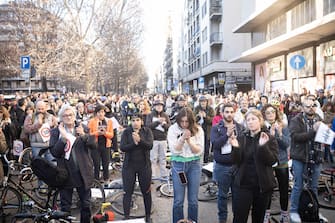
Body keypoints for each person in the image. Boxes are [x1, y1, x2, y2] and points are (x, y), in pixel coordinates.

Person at [229, 109, 279, 223]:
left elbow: (272, 161)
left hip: (262, 186)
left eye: (253, 119)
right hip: (243, 185)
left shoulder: (269, 138)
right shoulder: (241, 138)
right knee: (239, 217)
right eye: (248, 120)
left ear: (260, 120)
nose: (250, 122)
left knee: (258, 218)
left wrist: (263, 146)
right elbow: (236, 161)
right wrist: (235, 148)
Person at [49, 104, 94, 223]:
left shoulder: (82, 127)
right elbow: (54, 153)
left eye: (70, 115)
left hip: (83, 171)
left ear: (75, 116)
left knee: (85, 205)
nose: (68, 117)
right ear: (61, 117)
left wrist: (84, 135)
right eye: (65, 115)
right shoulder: (55, 131)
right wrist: (63, 138)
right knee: (65, 207)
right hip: (66, 173)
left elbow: (94, 145)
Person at [289, 98, 328, 222]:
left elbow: (324, 139)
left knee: (314, 187)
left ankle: (314, 210)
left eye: (313, 106)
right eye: (307, 106)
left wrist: (326, 133)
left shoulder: (318, 119)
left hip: (316, 157)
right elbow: (296, 137)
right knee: (298, 185)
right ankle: (294, 211)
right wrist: (313, 131)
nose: (311, 108)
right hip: (300, 157)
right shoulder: (296, 120)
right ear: (302, 108)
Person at [167, 107, 204, 223]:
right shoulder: (173, 129)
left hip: (194, 164)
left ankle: (192, 221)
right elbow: (175, 150)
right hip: (179, 165)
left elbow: (199, 151)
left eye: (187, 121)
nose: (184, 124)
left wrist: (189, 141)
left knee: (193, 200)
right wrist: (182, 139)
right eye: (182, 121)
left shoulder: (198, 130)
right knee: (178, 199)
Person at [210, 103, 243, 223]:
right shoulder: (216, 128)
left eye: (231, 112)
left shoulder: (239, 127)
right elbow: (215, 145)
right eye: (227, 112)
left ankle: (237, 219)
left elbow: (243, 146)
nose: (229, 114)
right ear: (222, 113)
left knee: (237, 196)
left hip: (236, 166)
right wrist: (227, 135)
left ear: (234, 113)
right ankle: (222, 219)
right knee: (222, 195)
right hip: (222, 167)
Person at [120, 113, 153, 223]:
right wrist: (134, 143)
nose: (135, 122)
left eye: (137, 120)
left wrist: (140, 141)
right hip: (129, 166)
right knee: (127, 192)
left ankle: (148, 215)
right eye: (133, 120)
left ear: (141, 121)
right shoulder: (126, 132)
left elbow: (149, 145)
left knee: (146, 192)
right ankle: (126, 216)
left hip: (144, 165)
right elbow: (123, 147)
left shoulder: (147, 131)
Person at [261, 104, 290, 223]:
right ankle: (266, 215)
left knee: (284, 189)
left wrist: (280, 134)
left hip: (281, 161)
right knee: (268, 190)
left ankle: (284, 214)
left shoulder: (283, 126)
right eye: (268, 113)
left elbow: (286, 144)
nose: (271, 114)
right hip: (267, 163)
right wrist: (271, 136)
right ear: (264, 115)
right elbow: (261, 147)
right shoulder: (262, 127)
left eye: (272, 112)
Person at [87, 104, 114, 184]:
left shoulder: (109, 121)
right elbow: (89, 134)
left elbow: (111, 135)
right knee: (96, 164)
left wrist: (105, 133)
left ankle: (106, 179)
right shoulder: (92, 121)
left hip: (106, 145)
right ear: (96, 113)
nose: (101, 114)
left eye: (102, 112)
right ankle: (96, 181)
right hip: (95, 146)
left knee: (106, 164)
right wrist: (97, 133)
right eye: (99, 112)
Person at [146, 99, 171, 180]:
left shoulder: (165, 115)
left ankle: (163, 174)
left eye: (160, 105)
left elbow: (169, 127)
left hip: (163, 139)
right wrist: (157, 122)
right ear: (154, 106)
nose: (159, 107)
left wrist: (164, 124)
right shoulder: (150, 115)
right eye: (157, 105)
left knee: (163, 158)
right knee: (153, 158)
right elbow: (148, 126)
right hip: (154, 139)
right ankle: (152, 175)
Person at [194, 95, 214, 163]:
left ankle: (205, 161)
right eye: (201, 102)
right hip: (198, 130)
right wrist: (198, 116)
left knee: (207, 146)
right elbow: (193, 119)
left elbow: (212, 120)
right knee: (198, 145)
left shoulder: (210, 109)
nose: (203, 103)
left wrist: (205, 116)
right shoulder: (196, 108)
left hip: (207, 130)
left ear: (207, 102)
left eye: (204, 101)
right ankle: (198, 161)